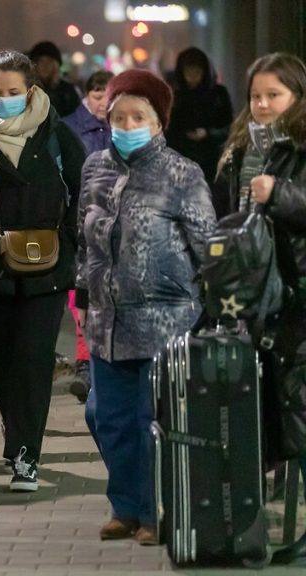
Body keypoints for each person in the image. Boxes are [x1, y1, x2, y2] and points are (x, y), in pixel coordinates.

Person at [76, 69, 216, 546]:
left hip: (165, 321)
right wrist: (83, 292)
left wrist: (202, 306)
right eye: (120, 115)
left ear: (159, 124)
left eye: (140, 116)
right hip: (105, 320)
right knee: (106, 418)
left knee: (150, 421)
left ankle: (157, 511)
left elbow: (207, 244)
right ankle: (126, 507)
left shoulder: (182, 172)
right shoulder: (94, 167)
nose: (128, 123)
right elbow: (84, 239)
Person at [0, 50, 84, 492]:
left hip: (47, 270)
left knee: (34, 361)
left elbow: (82, 198)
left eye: (13, 92)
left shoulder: (59, 138)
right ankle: (17, 441)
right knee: (4, 365)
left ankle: (27, 457)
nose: (3, 99)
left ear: (31, 91)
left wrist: (68, 243)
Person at [213, 52, 306, 565]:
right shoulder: (243, 146)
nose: (264, 105)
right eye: (256, 96)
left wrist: (281, 195)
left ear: (295, 97)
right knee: (264, 414)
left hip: (296, 297)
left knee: (299, 414)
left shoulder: (300, 147)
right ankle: (252, 524)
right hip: (252, 299)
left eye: (274, 95)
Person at [61, 69, 114, 405]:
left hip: (113, 221)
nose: (102, 103)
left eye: (108, 95)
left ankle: (96, 363)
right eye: (97, 96)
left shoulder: (120, 125)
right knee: (81, 293)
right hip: (80, 219)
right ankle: (84, 364)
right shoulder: (70, 128)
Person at [166, 47, 233, 185]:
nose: (192, 77)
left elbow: (230, 127)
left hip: (210, 161)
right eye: (188, 73)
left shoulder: (218, 95)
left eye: (196, 72)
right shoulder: (173, 96)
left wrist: (208, 134)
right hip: (178, 162)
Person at [29, 41, 81, 118]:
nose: (45, 65)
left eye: (49, 61)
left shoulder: (68, 91)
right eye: (41, 61)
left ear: (56, 65)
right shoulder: (26, 90)